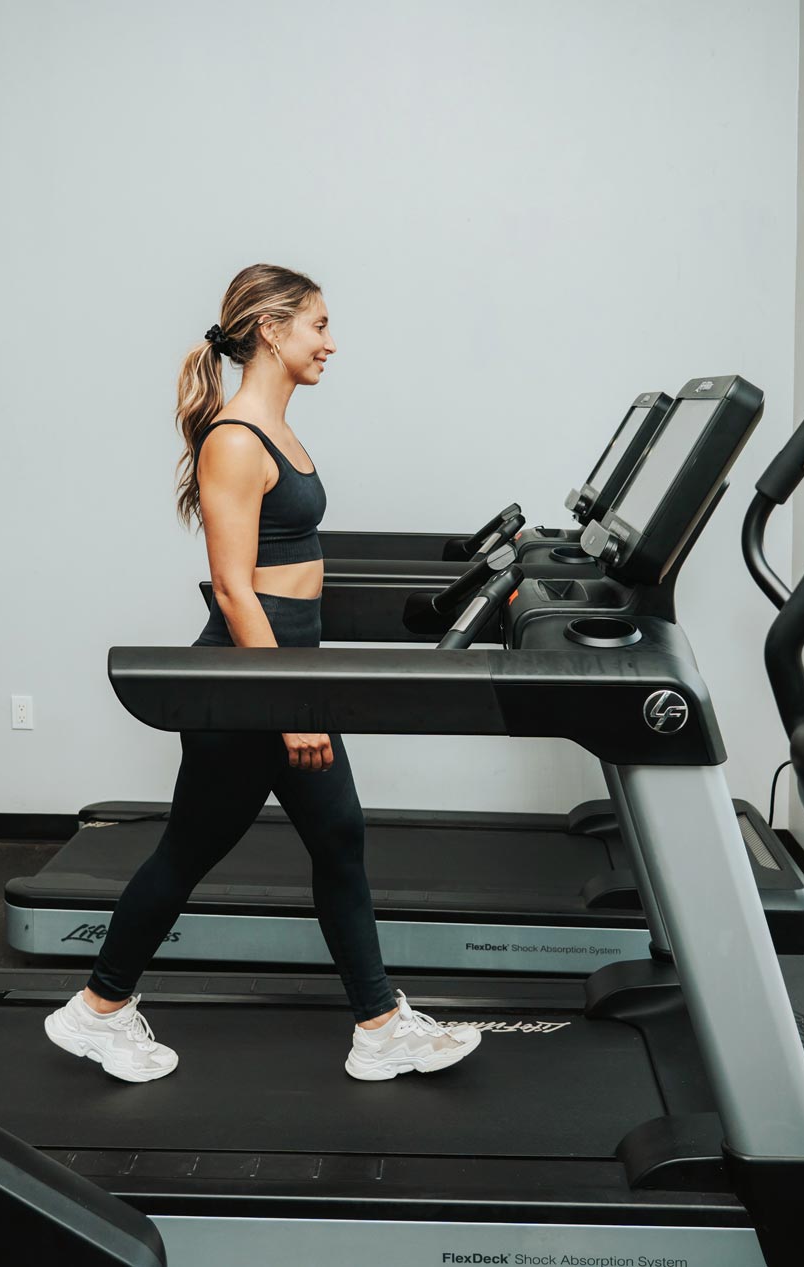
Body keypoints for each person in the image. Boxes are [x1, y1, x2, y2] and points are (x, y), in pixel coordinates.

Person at [44, 263, 482, 1083]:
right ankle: (97, 1009)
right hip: (251, 681)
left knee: (336, 838)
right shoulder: (235, 440)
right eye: (318, 325)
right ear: (273, 331)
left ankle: (378, 1022)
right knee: (192, 849)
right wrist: (290, 704)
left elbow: (296, 564)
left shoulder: (275, 433)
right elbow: (236, 587)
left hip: (283, 673)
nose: (331, 342)